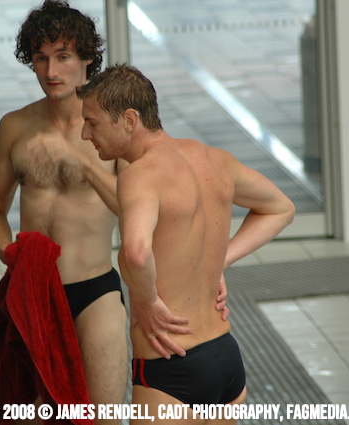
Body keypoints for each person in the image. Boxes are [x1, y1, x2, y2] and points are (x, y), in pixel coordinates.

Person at [76, 64, 295, 424]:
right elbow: (281, 208)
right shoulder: (214, 159)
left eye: (92, 123)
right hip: (225, 357)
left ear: (129, 120)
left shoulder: (140, 175)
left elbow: (135, 253)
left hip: (171, 367)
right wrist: (220, 260)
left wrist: (147, 302)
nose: (85, 134)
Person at [0, 0, 128, 418]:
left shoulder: (112, 127)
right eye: (41, 58)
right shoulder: (15, 126)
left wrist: (80, 161)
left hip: (94, 291)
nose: (51, 71)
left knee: (101, 415)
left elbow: (136, 209)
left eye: (63, 57)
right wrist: (11, 254)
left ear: (87, 58)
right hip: (34, 291)